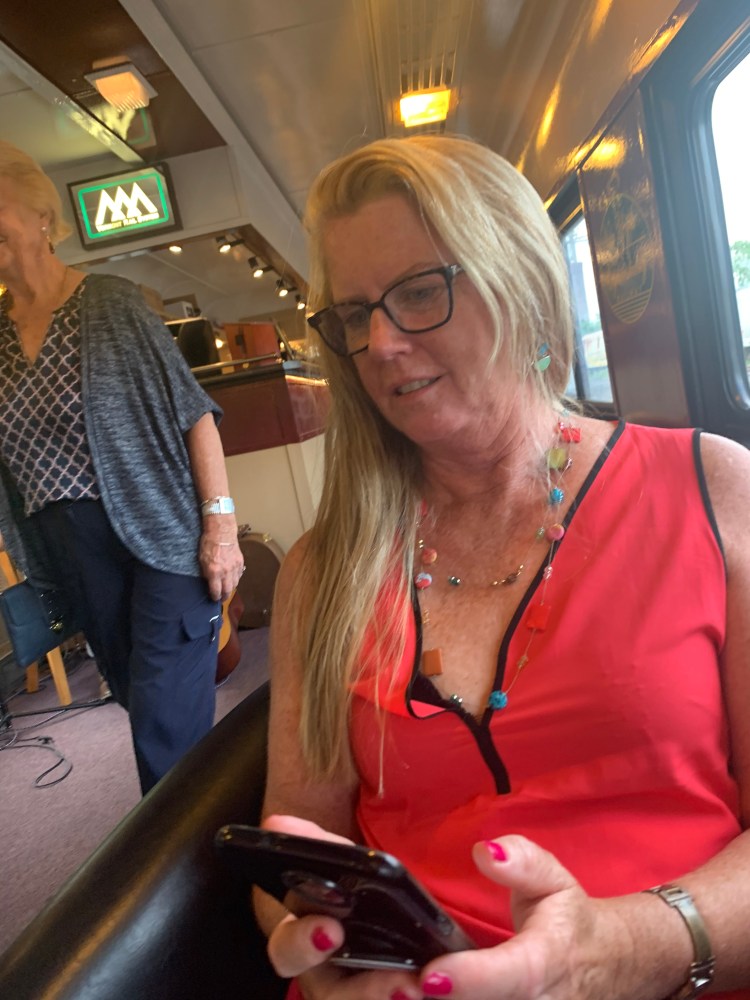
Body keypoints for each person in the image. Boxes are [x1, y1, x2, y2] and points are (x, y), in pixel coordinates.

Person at [255, 134, 750, 1000]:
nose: (381, 343)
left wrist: (630, 950)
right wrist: (321, 953)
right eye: (354, 314)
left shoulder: (712, 490)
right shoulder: (323, 569)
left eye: (419, 292)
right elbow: (296, 846)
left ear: (520, 278)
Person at [0, 142, 244, 795]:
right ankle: (226, 824)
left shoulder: (110, 304)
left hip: (158, 538)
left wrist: (221, 529)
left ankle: (180, 857)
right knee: (147, 706)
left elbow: (195, 413)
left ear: (42, 217)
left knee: (162, 726)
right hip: (69, 554)